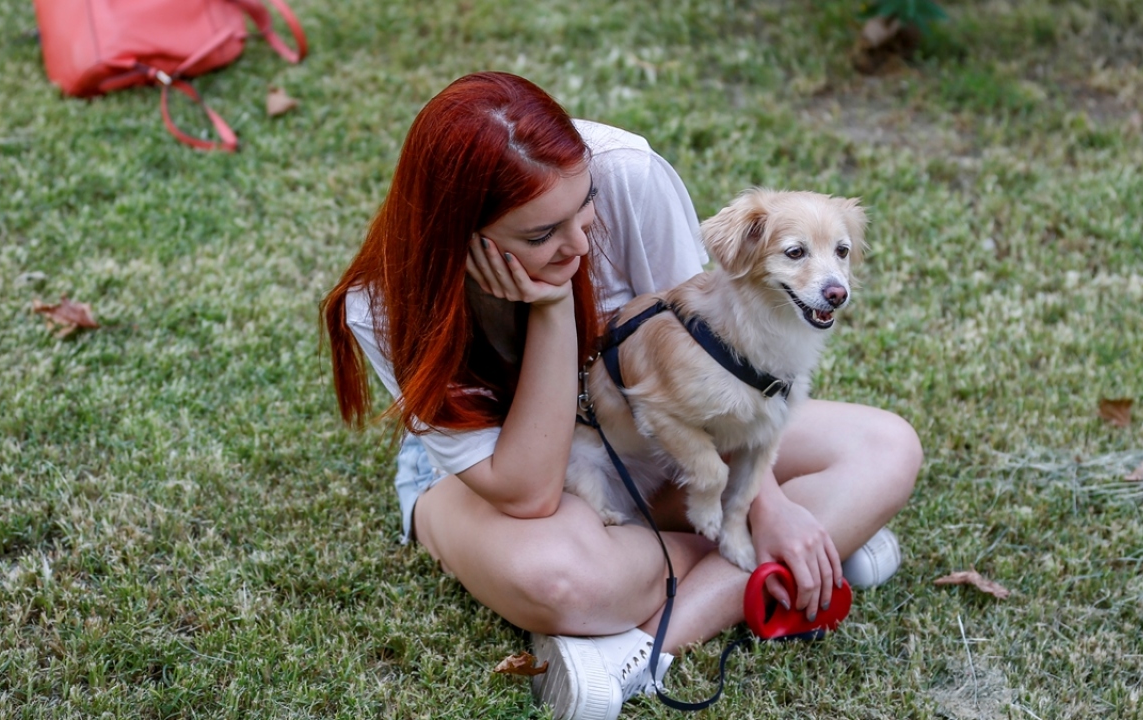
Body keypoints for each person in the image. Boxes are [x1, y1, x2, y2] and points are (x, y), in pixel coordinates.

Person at [322, 71, 921, 720]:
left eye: (584, 209)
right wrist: (553, 309)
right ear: (462, 237)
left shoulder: (629, 173)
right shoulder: (382, 306)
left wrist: (769, 506)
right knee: (562, 580)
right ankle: (813, 546)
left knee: (886, 447)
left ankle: (638, 649)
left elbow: (704, 362)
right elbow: (528, 493)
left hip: (646, 426)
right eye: (539, 237)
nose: (579, 243)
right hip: (502, 472)